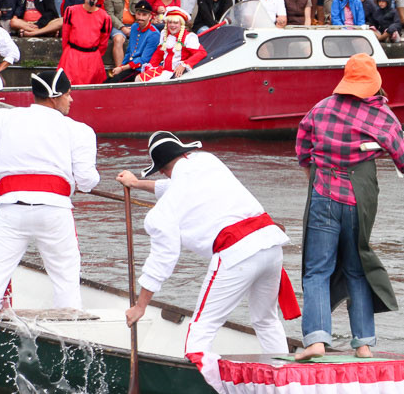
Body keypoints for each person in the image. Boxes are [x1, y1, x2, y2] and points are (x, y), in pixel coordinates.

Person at [117, 131, 297, 358]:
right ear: (185, 153)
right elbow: (179, 184)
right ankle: (281, 375)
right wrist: (137, 183)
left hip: (237, 253)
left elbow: (162, 261)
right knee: (265, 320)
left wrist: (140, 307)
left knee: (203, 325)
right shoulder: (208, 161)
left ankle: (198, 380)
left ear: (162, 170)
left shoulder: (162, 214)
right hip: (271, 244)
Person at [294, 53, 404, 359]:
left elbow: (303, 148)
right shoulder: (382, 115)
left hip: (323, 195)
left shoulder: (321, 108)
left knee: (317, 272)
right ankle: (363, 344)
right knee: (356, 269)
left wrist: (314, 173)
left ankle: (315, 341)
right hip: (357, 201)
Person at [0, 70, 98, 311]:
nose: (72, 100)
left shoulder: (4, 118)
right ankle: (70, 328)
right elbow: (88, 181)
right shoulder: (80, 130)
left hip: (11, 207)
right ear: (54, 96)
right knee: (66, 278)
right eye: (68, 95)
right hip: (54, 210)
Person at [58, 0, 111, 85]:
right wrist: (67, 53)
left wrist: (95, 55)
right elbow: (65, 34)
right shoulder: (71, 11)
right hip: (72, 55)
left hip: (92, 57)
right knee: (66, 86)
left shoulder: (105, 17)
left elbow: (104, 41)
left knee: (93, 89)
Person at [139, 6, 206, 81]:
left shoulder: (189, 37)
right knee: (139, 79)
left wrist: (185, 64)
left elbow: (201, 53)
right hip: (164, 71)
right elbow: (159, 53)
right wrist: (151, 66)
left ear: (181, 24)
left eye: (175, 23)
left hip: (176, 74)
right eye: (170, 22)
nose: (172, 25)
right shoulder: (165, 34)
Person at [107, 0, 159, 82]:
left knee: (113, 84)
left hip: (140, 69)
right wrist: (122, 66)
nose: (140, 18)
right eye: (138, 14)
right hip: (129, 66)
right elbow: (129, 51)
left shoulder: (154, 34)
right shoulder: (134, 27)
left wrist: (122, 68)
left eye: (144, 15)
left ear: (150, 17)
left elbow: (143, 60)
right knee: (107, 81)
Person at [106, 0, 144, 67]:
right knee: (118, 39)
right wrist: (123, 28)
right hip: (117, 25)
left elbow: (142, 13)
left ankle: (138, 68)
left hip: (135, 25)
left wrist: (135, 26)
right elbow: (109, 13)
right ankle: (119, 69)